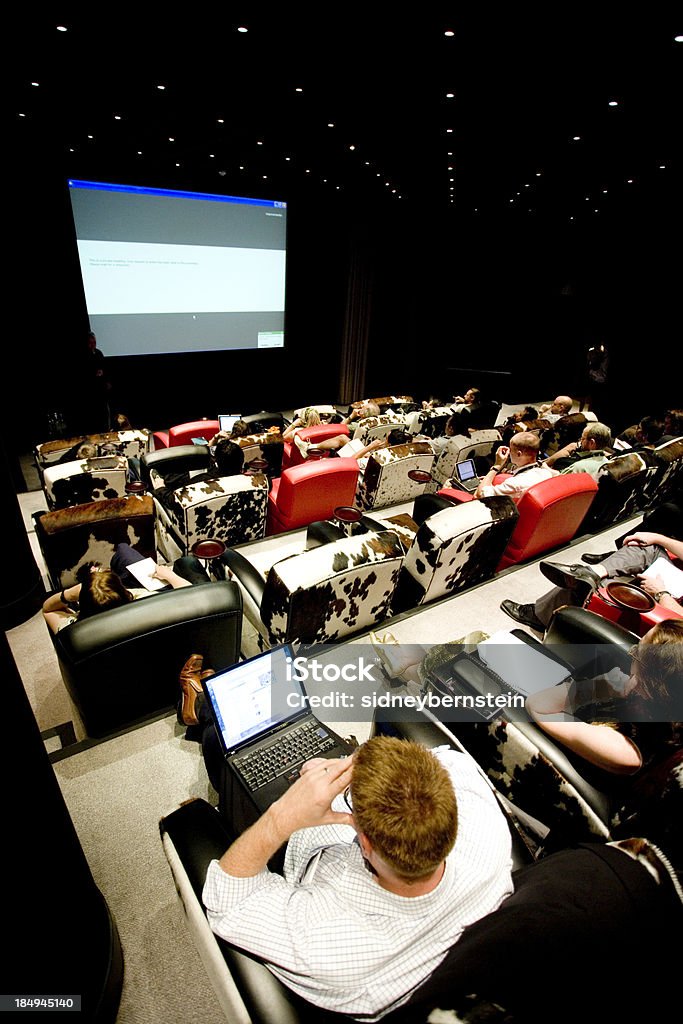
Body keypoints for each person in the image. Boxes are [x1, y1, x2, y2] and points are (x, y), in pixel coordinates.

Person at [200, 730, 514, 1020]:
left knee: (217, 740)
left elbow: (227, 897)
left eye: (349, 800)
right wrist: (348, 765)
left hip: (299, 849)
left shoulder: (329, 940)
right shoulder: (486, 830)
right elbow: (447, 759)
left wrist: (285, 814)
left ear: (364, 843)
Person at [500, 530, 683, 633]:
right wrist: (659, 537)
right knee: (647, 547)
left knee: (592, 585)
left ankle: (540, 615)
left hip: (674, 611)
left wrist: (661, 593)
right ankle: (593, 572)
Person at [41, 552, 192, 634]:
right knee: (124, 553)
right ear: (124, 591)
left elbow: (48, 609)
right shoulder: (149, 603)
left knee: (123, 554)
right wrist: (168, 574)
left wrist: (68, 594)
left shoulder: (73, 633)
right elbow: (190, 595)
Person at [152, 438, 246, 506]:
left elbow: (173, 501)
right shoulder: (251, 481)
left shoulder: (202, 483)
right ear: (242, 461)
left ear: (216, 460)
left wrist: (161, 488)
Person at [472, 431, 557, 501]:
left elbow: (479, 495)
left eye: (511, 449)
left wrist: (496, 466)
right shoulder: (547, 473)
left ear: (519, 454)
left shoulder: (514, 484)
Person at [542, 421, 613, 476]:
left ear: (592, 443)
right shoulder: (609, 463)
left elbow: (558, 477)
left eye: (582, 439)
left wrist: (544, 466)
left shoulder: (579, 467)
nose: (580, 441)